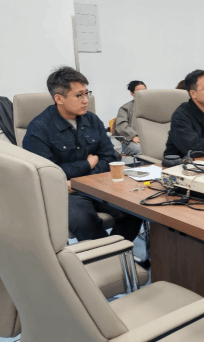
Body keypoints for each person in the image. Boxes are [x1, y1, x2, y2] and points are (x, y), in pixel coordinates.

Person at [23, 66, 142, 242]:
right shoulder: (39, 128)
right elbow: (47, 173)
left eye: (87, 93)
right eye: (79, 95)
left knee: (136, 210)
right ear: (58, 98)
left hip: (95, 185)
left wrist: (85, 180)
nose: (86, 100)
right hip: (66, 192)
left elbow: (110, 157)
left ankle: (115, 251)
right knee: (85, 222)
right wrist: (88, 164)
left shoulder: (92, 120)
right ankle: (107, 255)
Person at [113, 81, 147, 156]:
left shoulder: (151, 107)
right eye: (139, 92)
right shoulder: (125, 108)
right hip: (130, 142)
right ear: (132, 93)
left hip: (149, 140)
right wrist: (133, 136)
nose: (142, 94)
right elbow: (121, 125)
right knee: (143, 150)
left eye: (144, 91)